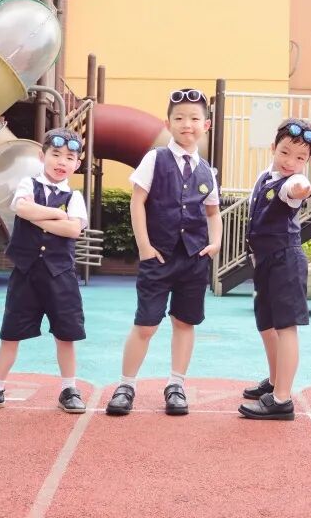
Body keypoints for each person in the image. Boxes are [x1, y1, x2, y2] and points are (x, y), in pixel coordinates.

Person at [0, 128, 90, 413]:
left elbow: (73, 229)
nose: (61, 162)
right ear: (42, 156)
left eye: (69, 158)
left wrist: (43, 217)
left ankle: (69, 389)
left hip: (60, 276)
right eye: (55, 154)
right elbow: (22, 208)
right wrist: (58, 214)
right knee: (10, 333)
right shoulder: (28, 184)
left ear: (77, 164)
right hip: (25, 273)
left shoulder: (75, 196)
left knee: (65, 335)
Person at [106, 88, 222, 417]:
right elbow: (137, 201)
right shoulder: (155, 159)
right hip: (158, 257)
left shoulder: (207, 171)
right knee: (146, 324)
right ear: (168, 124)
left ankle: (176, 385)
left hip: (194, 260)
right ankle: (126, 385)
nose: (187, 124)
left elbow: (213, 212)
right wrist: (144, 245)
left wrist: (215, 243)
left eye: (194, 118)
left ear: (206, 125)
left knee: (185, 323)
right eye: (179, 118)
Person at [238, 119, 311, 421]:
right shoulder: (265, 177)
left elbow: (294, 189)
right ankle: (274, 381)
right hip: (265, 262)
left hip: (286, 261)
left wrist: (302, 189)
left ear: (307, 161)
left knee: (286, 327)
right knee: (266, 324)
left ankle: (282, 399)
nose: (290, 162)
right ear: (273, 147)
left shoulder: (291, 182)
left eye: (300, 158)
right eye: (285, 152)